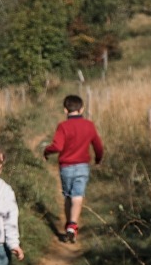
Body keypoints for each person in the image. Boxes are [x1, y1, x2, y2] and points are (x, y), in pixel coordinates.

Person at [42, 93, 105, 243]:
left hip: (66, 167)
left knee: (68, 196)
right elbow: (98, 145)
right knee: (78, 195)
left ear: (65, 110)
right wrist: (98, 158)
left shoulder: (63, 126)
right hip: (82, 166)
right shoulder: (89, 125)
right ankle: (73, 225)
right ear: (82, 108)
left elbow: (57, 146)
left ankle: (69, 225)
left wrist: (46, 151)